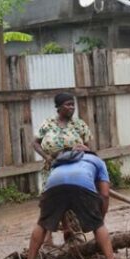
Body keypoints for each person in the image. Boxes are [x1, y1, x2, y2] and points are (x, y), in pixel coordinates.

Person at [19, 148, 123, 259]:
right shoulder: (98, 161)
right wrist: (100, 219)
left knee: (42, 224)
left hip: (53, 187)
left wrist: (66, 227)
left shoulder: (62, 160)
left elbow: (63, 199)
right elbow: (105, 194)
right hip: (82, 185)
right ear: (92, 154)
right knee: (98, 226)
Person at [33, 92, 92, 245]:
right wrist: (47, 157)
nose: (72, 107)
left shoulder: (79, 125)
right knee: (48, 200)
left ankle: (70, 231)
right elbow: (35, 143)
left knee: (71, 199)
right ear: (59, 107)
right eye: (68, 104)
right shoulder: (48, 124)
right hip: (51, 167)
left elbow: (89, 147)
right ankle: (48, 236)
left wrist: (83, 152)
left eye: (73, 104)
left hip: (74, 167)